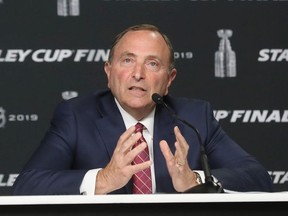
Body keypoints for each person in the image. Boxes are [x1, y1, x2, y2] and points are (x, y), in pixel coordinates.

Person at [12, 24, 273, 195]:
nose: (138, 74)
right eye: (127, 60)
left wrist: (196, 180)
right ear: (108, 71)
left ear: (169, 79)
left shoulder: (194, 118)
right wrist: (103, 179)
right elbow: (27, 186)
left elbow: (257, 177)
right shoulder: (76, 116)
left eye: (152, 64)